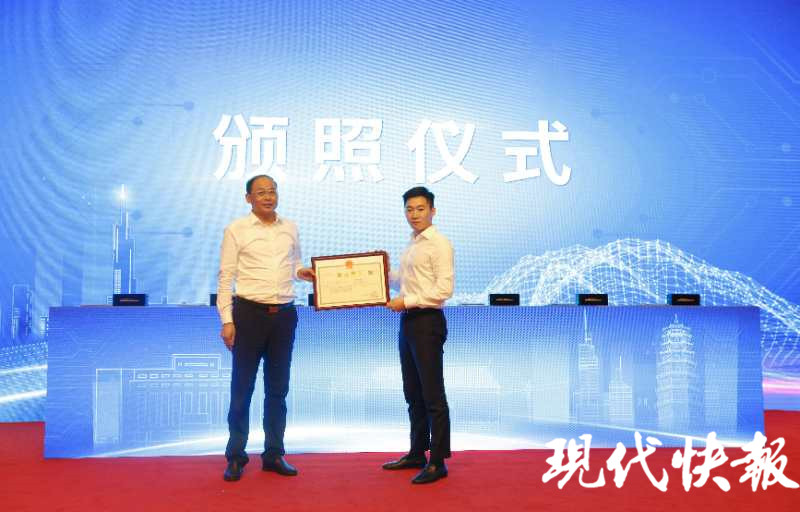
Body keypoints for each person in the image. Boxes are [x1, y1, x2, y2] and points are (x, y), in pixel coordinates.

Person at [217, 174, 315, 482]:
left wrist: (305, 273)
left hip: (284, 315)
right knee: (242, 388)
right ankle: (236, 456)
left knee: (278, 389)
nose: (268, 197)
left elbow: (295, 265)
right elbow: (225, 277)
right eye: (261, 192)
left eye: (272, 191)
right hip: (249, 315)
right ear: (249, 198)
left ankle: (274, 454)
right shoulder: (236, 229)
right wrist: (227, 320)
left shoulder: (290, 227)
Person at [383, 186, 454, 484]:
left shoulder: (439, 244)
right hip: (409, 321)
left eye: (420, 209)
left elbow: (443, 289)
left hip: (427, 321)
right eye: (409, 209)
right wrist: (379, 272)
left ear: (432, 211)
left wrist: (407, 301)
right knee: (413, 392)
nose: (414, 214)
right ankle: (416, 453)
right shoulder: (412, 243)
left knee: (432, 395)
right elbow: (404, 282)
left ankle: (437, 462)